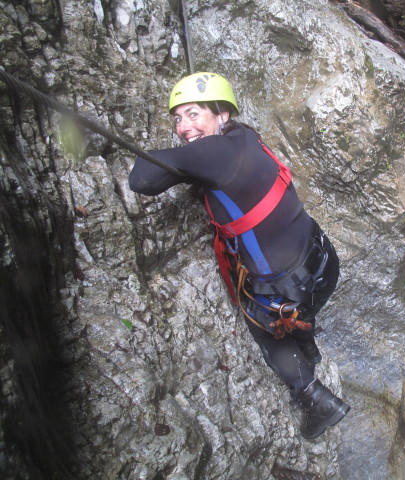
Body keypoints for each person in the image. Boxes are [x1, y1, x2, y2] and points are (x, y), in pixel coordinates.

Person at [128, 72, 349, 439]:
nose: (183, 127)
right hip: (322, 260)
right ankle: (308, 345)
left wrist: (180, 158)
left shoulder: (212, 153)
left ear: (222, 114)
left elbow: (142, 180)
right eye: (178, 119)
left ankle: (318, 401)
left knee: (264, 332)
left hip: (287, 289)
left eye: (194, 114)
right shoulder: (245, 136)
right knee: (296, 306)